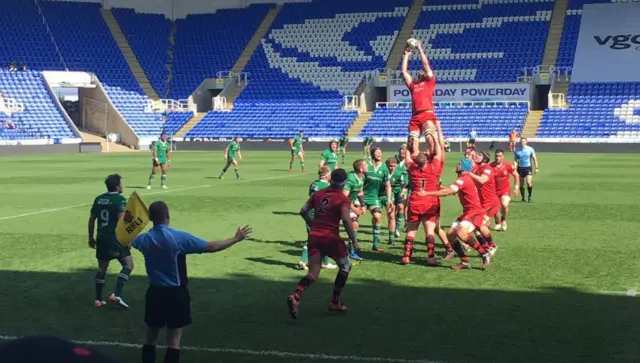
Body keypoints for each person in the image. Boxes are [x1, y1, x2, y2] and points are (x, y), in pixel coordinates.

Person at [132, 201, 252, 363]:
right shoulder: (178, 238)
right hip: (176, 294)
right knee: (174, 340)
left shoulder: (143, 239)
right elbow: (211, 247)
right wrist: (235, 239)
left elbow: (126, 238)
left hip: (154, 293)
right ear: (168, 216)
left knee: (150, 337)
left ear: (150, 218)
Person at [287, 169, 360, 320]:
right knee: (346, 266)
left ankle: (296, 294)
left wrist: (312, 224)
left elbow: (303, 211)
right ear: (345, 182)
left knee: (313, 273)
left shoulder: (318, 194)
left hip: (314, 236)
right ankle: (335, 302)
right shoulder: (342, 198)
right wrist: (354, 241)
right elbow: (346, 220)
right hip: (330, 237)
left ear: (331, 179)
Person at [422, 158, 492, 270]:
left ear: (462, 167)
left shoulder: (463, 179)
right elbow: (452, 191)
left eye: (459, 164)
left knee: (461, 232)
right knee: (450, 234)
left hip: (475, 212)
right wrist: (438, 187)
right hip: (469, 212)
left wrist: (427, 193)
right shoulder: (463, 178)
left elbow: (448, 192)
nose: (457, 165)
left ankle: (485, 254)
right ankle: (464, 262)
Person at [401, 141, 453, 266]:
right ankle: (430, 257)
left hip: (415, 202)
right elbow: (439, 154)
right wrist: (435, 140)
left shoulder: (412, 169)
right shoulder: (433, 167)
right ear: (425, 162)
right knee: (429, 231)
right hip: (429, 203)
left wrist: (410, 144)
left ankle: (406, 256)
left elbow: (407, 157)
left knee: (411, 231)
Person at [88, 174, 133, 309]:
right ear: (118, 186)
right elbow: (121, 221)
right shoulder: (119, 200)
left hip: (101, 237)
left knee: (102, 268)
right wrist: (127, 238)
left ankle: (98, 300)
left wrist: (91, 237)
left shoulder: (99, 199)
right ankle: (117, 294)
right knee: (128, 265)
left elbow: (91, 220)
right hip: (115, 238)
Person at [401, 40, 438, 157]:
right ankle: (415, 168)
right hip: (415, 117)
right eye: (420, 71)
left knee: (431, 141)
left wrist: (420, 49)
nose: (420, 71)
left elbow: (426, 64)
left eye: (422, 71)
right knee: (412, 146)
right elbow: (403, 72)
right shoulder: (413, 86)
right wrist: (406, 56)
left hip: (427, 114)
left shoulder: (429, 82)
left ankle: (432, 165)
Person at [299, 166, 337, 270]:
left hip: (310, 213)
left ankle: (308, 261)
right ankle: (321, 262)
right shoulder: (328, 186)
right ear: (327, 176)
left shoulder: (313, 184)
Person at [467, 151, 500, 255]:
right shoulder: (477, 168)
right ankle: (486, 247)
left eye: (479, 155)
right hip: (481, 203)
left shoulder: (487, 168)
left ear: (485, 159)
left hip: (490, 203)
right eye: (476, 154)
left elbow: (482, 180)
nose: (476, 155)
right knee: (478, 225)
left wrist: (469, 173)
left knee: (478, 224)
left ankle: (492, 245)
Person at [363, 147, 392, 252]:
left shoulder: (384, 169)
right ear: (372, 154)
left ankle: (375, 244)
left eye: (381, 152)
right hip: (361, 196)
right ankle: (352, 245)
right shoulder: (365, 166)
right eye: (377, 152)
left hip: (373, 198)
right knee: (353, 220)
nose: (379, 154)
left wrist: (389, 199)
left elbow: (388, 186)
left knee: (377, 216)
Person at [342, 159, 367, 261]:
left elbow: (360, 192)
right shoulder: (350, 179)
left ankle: (351, 249)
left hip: (349, 204)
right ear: (361, 169)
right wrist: (354, 209)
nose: (367, 166)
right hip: (341, 205)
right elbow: (343, 197)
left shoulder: (362, 177)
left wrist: (363, 204)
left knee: (354, 224)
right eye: (365, 165)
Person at [491, 149, 519, 231]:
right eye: (496, 156)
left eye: (499, 156)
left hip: (505, 190)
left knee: (504, 205)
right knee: (495, 208)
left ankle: (503, 219)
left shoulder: (508, 165)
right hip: (494, 190)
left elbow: (516, 175)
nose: (497, 158)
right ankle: (497, 222)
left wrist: (516, 187)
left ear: (503, 156)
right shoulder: (491, 166)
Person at [386, 156, 407, 244]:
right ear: (387, 165)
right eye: (391, 166)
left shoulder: (398, 173)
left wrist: (403, 191)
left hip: (398, 191)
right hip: (390, 192)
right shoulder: (385, 172)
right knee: (392, 211)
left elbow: (403, 183)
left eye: (394, 166)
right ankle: (392, 233)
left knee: (401, 206)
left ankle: (398, 228)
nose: (392, 168)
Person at [514, 137, 539, 203]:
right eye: (521, 141)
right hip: (520, 168)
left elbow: (534, 159)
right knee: (521, 184)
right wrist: (514, 168)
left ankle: (530, 196)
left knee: (528, 182)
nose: (522, 143)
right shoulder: (517, 150)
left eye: (524, 141)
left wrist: (536, 168)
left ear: (526, 142)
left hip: (528, 167)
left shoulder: (530, 149)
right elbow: (515, 160)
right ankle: (523, 197)